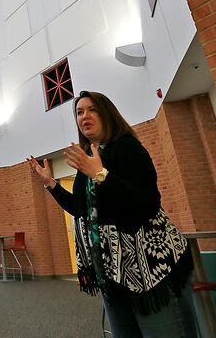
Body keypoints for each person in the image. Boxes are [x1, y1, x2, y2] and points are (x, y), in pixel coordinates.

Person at [27, 91, 196, 337]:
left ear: (107, 114)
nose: (84, 116)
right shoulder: (89, 161)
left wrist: (101, 174)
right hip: (112, 273)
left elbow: (147, 205)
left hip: (150, 270)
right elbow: (81, 210)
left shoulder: (127, 148)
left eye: (92, 109)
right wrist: (50, 183)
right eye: (79, 112)